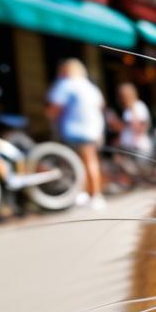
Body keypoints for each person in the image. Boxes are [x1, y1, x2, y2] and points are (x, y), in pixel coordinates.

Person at [46, 58, 105, 208]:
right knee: (90, 161)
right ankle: (94, 194)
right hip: (93, 128)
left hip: (74, 129)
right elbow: (101, 105)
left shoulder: (65, 84)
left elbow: (55, 108)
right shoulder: (89, 86)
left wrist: (49, 116)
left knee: (77, 163)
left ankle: (85, 194)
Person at [115, 82, 154, 159]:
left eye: (124, 95)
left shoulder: (139, 106)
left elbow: (141, 128)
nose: (122, 98)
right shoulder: (126, 110)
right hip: (127, 148)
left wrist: (133, 110)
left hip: (138, 149)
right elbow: (124, 129)